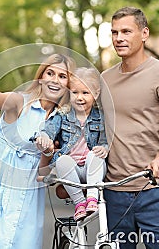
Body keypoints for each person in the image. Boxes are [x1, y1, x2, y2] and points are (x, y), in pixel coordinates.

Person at [0, 53, 76, 249]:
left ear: (69, 83)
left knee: (22, 237)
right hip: (1, 175)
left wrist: (49, 152)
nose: (55, 80)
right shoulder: (21, 102)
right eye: (50, 73)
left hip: (30, 185)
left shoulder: (62, 119)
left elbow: (46, 169)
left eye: (62, 76)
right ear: (40, 78)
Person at [100, 7, 159, 248]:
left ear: (144, 33)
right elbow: (88, 124)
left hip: (154, 189)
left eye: (126, 31)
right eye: (114, 32)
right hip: (114, 191)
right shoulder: (104, 79)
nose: (119, 38)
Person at [35, 67, 108, 221]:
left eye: (85, 93)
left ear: (95, 94)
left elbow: (105, 141)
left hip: (92, 169)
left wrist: (105, 148)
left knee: (95, 154)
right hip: (71, 171)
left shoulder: (100, 117)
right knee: (62, 160)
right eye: (75, 92)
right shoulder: (63, 115)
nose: (79, 97)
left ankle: (92, 198)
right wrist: (43, 137)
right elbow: (47, 129)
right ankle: (80, 203)